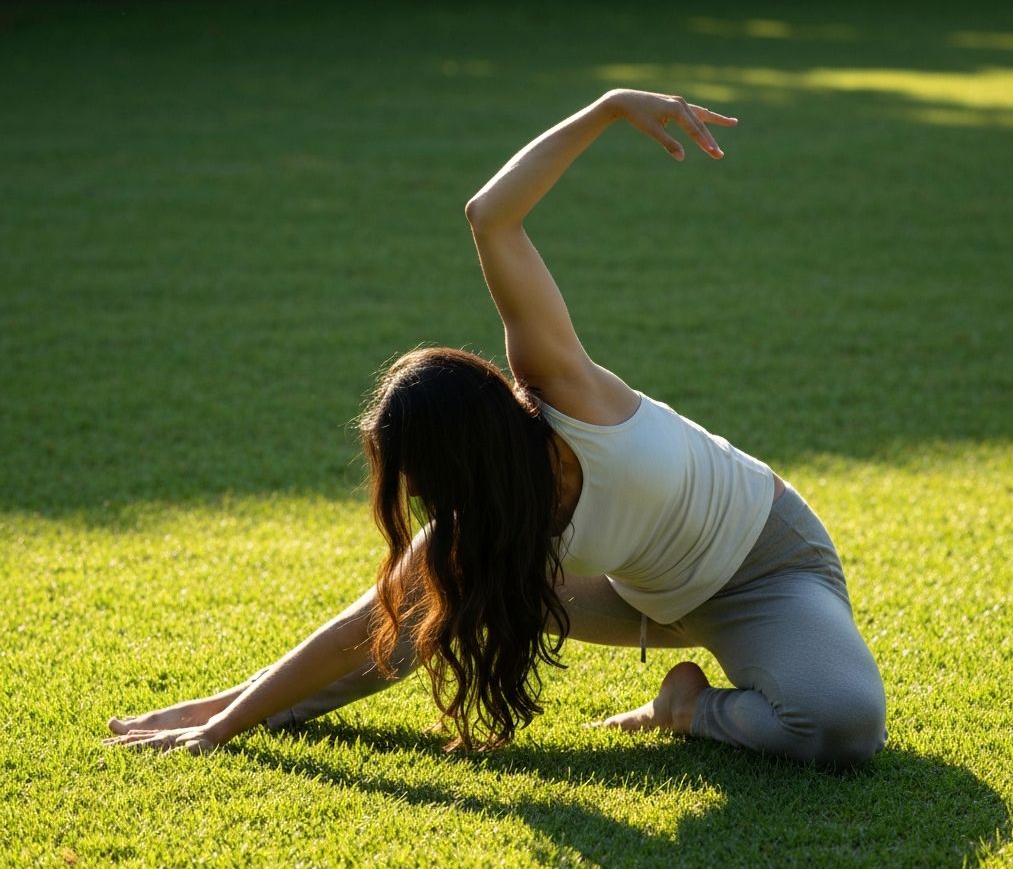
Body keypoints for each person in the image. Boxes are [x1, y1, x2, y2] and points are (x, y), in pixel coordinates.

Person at [104, 89, 887, 767]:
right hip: (641, 593)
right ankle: (236, 709)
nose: (417, 494)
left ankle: (687, 711)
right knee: (419, 599)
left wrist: (610, 108)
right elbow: (369, 634)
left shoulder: (562, 390)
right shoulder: (486, 522)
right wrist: (219, 720)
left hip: (764, 569)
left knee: (845, 725)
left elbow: (491, 218)